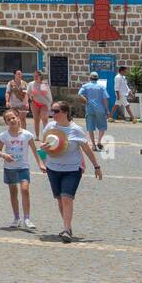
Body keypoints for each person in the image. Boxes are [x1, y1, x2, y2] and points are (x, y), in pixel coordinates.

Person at [41, 101, 102, 243]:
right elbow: (42, 148)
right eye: (52, 111)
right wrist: (43, 160)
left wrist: (96, 166)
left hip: (72, 169)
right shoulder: (49, 127)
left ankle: (67, 230)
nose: (52, 114)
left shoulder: (76, 130)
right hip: (53, 168)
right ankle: (66, 226)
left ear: (65, 112)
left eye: (56, 111)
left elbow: (86, 149)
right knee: (60, 200)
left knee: (67, 198)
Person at [0, 109, 43, 231]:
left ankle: (27, 218)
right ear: (6, 122)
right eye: (8, 119)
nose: (11, 120)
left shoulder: (27, 135)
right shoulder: (4, 135)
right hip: (9, 168)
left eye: (13, 118)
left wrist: (41, 164)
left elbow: (35, 151)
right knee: (13, 192)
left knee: (25, 190)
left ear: (18, 118)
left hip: (23, 166)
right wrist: (4, 155)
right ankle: (16, 218)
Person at [77, 72, 111, 149]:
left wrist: (86, 100)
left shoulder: (85, 86)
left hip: (89, 108)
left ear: (90, 78)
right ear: (97, 79)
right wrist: (107, 109)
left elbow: (79, 94)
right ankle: (99, 141)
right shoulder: (101, 87)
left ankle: (93, 145)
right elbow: (105, 99)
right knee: (102, 126)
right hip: (100, 109)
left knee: (90, 127)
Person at [27, 68, 53, 140]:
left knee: (44, 118)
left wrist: (42, 90)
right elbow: (28, 94)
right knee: (36, 119)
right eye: (34, 76)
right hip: (34, 103)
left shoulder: (44, 84)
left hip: (44, 103)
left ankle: (46, 136)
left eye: (36, 76)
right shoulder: (31, 84)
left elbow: (46, 94)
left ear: (40, 76)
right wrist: (31, 95)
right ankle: (37, 136)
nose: (35, 77)